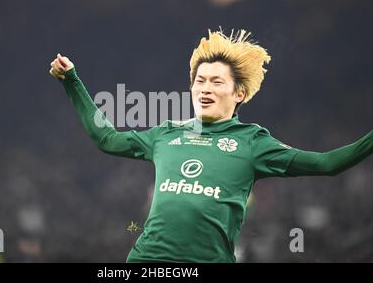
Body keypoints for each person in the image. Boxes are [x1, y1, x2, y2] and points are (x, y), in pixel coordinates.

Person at [49, 29, 372, 263]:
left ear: (240, 94)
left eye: (217, 82)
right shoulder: (167, 134)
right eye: (200, 81)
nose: (205, 88)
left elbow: (328, 164)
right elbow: (106, 138)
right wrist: (72, 81)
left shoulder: (254, 142)